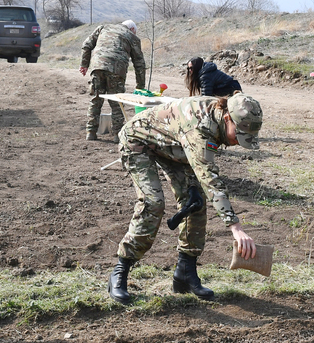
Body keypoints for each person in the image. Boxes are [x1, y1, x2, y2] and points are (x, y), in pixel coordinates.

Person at [108, 92, 263, 304]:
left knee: (195, 203)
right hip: (138, 141)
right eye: (238, 135)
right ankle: (120, 272)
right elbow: (209, 178)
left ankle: (185, 274)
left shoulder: (217, 119)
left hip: (175, 146)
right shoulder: (199, 127)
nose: (237, 142)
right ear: (227, 118)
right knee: (153, 203)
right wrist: (235, 227)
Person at [79, 19, 147, 141]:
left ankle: (91, 132)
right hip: (117, 70)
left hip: (97, 67)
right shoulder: (132, 37)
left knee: (96, 99)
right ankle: (117, 135)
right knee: (117, 103)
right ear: (132, 29)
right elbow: (139, 63)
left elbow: (86, 45)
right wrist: (140, 86)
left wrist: (84, 64)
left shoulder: (103, 28)